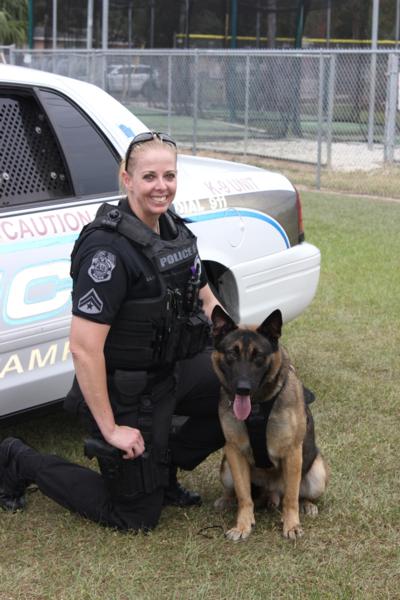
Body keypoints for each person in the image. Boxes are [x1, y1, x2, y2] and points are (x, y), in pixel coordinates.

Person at [0, 131, 225, 532]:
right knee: (135, 517)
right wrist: (111, 428)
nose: (161, 187)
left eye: (169, 176)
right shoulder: (107, 251)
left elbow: (206, 298)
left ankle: (161, 469)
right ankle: (20, 460)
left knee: (249, 391)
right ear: (127, 179)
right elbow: (83, 349)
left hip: (171, 370)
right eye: (149, 177)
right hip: (127, 391)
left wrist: (248, 347)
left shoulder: (172, 228)